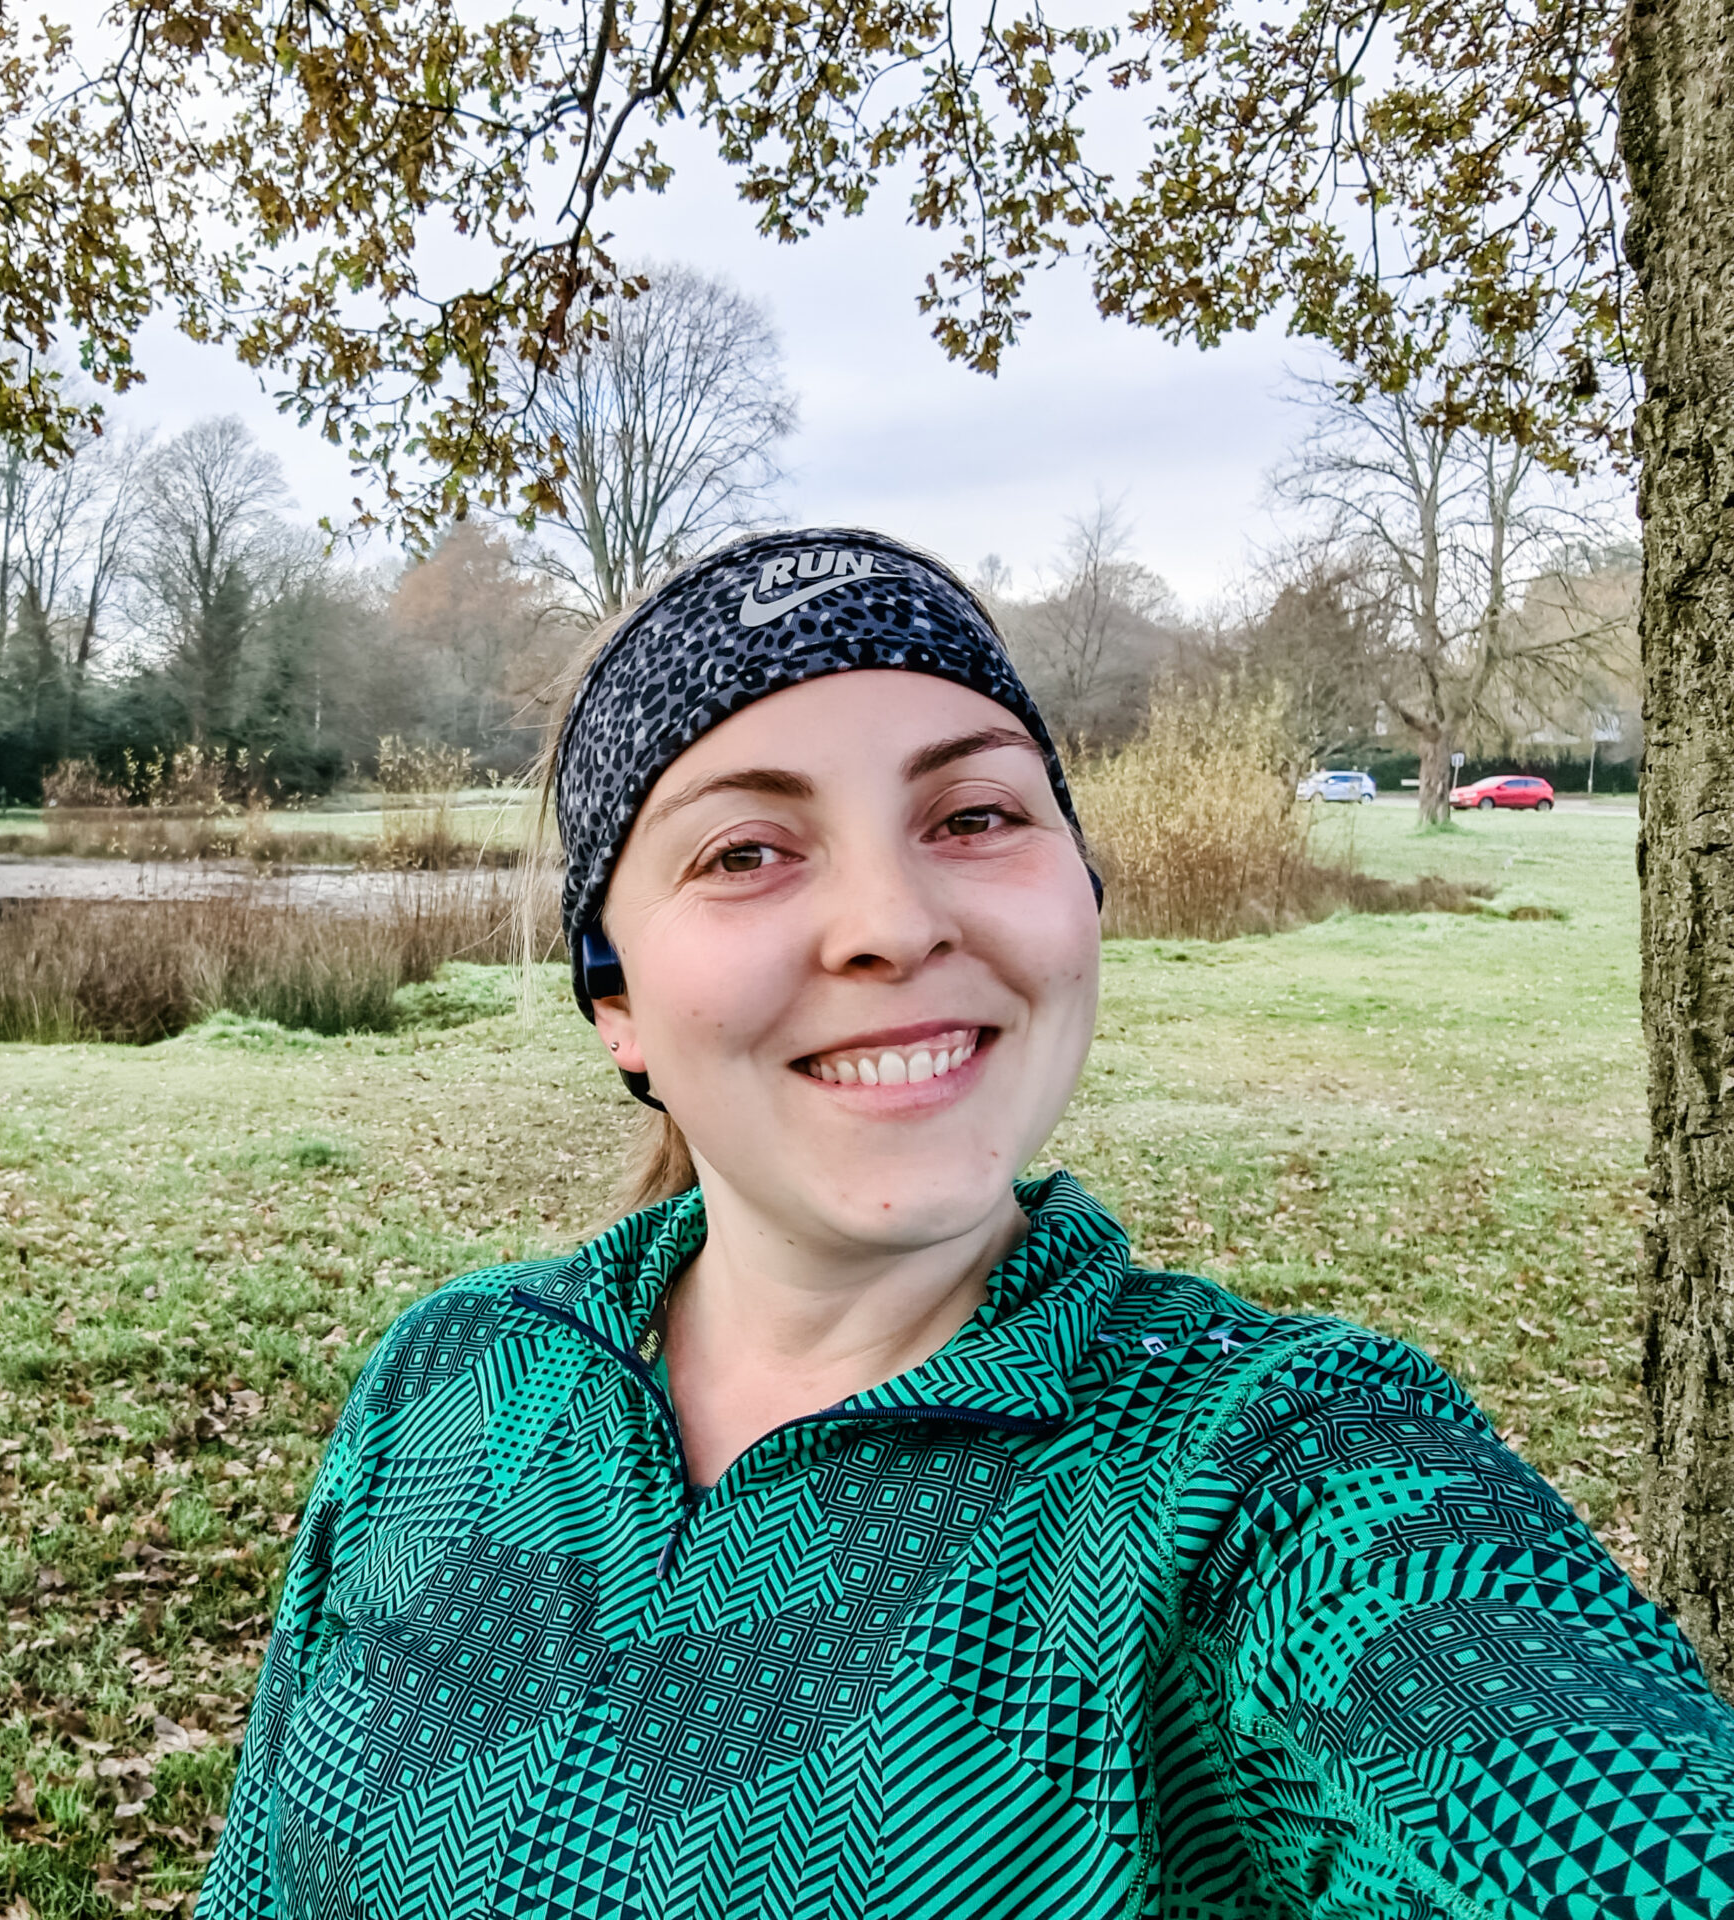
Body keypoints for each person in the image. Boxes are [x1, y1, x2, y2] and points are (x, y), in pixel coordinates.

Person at [199, 529, 1734, 1919]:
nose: (895, 922)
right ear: (617, 1003)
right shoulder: (447, 1382)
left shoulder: (1273, 1476)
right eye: (746, 851)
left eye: (976, 813)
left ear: (1082, 895)